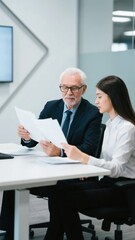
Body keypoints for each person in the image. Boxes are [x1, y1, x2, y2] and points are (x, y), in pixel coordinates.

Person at [0, 67, 102, 240]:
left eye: (74, 88)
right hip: (50, 169)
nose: (69, 93)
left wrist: (60, 152)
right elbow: (33, 140)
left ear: (83, 89)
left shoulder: (92, 112)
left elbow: (89, 148)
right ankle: (8, 234)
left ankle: (55, 235)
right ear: (60, 88)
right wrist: (26, 136)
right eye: (64, 87)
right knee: (13, 186)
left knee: (59, 189)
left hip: (75, 174)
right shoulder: (51, 106)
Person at [43, 75, 135, 240]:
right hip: (108, 182)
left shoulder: (127, 128)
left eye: (100, 96)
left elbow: (117, 168)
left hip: (123, 188)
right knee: (58, 192)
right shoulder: (110, 125)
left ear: (113, 98)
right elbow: (105, 161)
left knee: (65, 199)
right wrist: (87, 167)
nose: (96, 101)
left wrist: (84, 158)